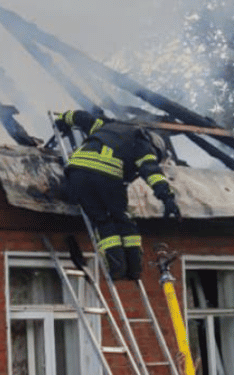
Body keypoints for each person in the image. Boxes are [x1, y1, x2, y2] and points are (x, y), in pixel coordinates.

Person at [54, 109, 180, 281]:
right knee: (123, 220)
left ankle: (117, 268)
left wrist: (63, 119)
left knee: (102, 221)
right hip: (107, 176)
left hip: (76, 174)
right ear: (155, 147)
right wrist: (167, 197)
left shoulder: (107, 126)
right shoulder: (141, 141)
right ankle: (133, 269)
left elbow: (81, 117)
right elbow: (151, 171)